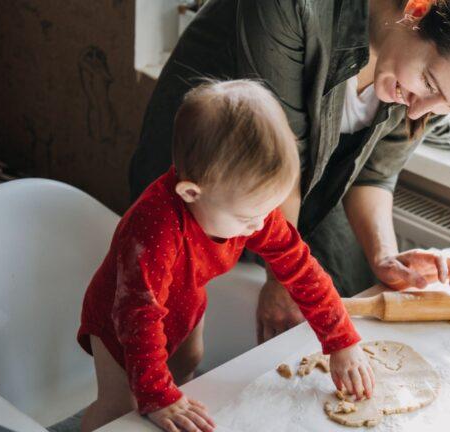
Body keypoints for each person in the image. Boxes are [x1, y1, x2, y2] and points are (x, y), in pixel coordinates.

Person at [129, 0, 450, 343]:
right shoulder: (294, 8)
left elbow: (373, 175)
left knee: (354, 299)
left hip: (310, 186)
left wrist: (384, 255)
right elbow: (282, 161)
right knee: (183, 332)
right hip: (210, 184)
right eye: (429, 83)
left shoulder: (420, 87)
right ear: (418, 9)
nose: (422, 108)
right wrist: (284, 276)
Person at [78, 80, 375, 432]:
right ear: (191, 193)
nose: (259, 225)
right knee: (122, 408)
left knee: (189, 367)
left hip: (184, 301)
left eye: (266, 211)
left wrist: (341, 339)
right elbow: (137, 317)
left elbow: (301, 268)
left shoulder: (252, 211)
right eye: (248, 217)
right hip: (121, 319)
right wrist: (158, 396)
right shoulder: (153, 229)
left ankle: (173, 406)